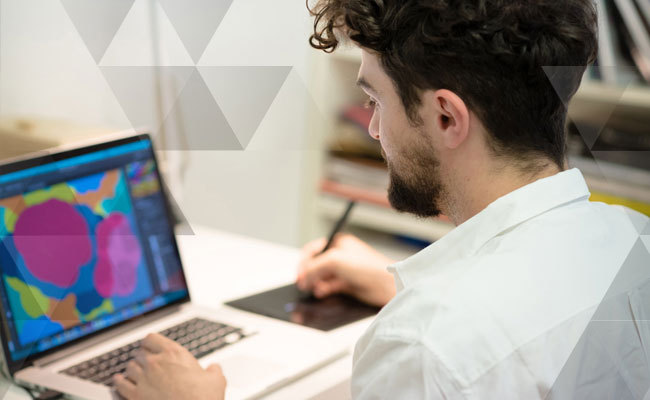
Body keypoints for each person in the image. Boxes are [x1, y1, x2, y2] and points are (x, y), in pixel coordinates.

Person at [114, 0, 650, 399]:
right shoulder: (634, 240)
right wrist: (396, 286)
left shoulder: (423, 345)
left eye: (375, 100)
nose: (372, 128)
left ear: (447, 117)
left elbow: (464, 344)